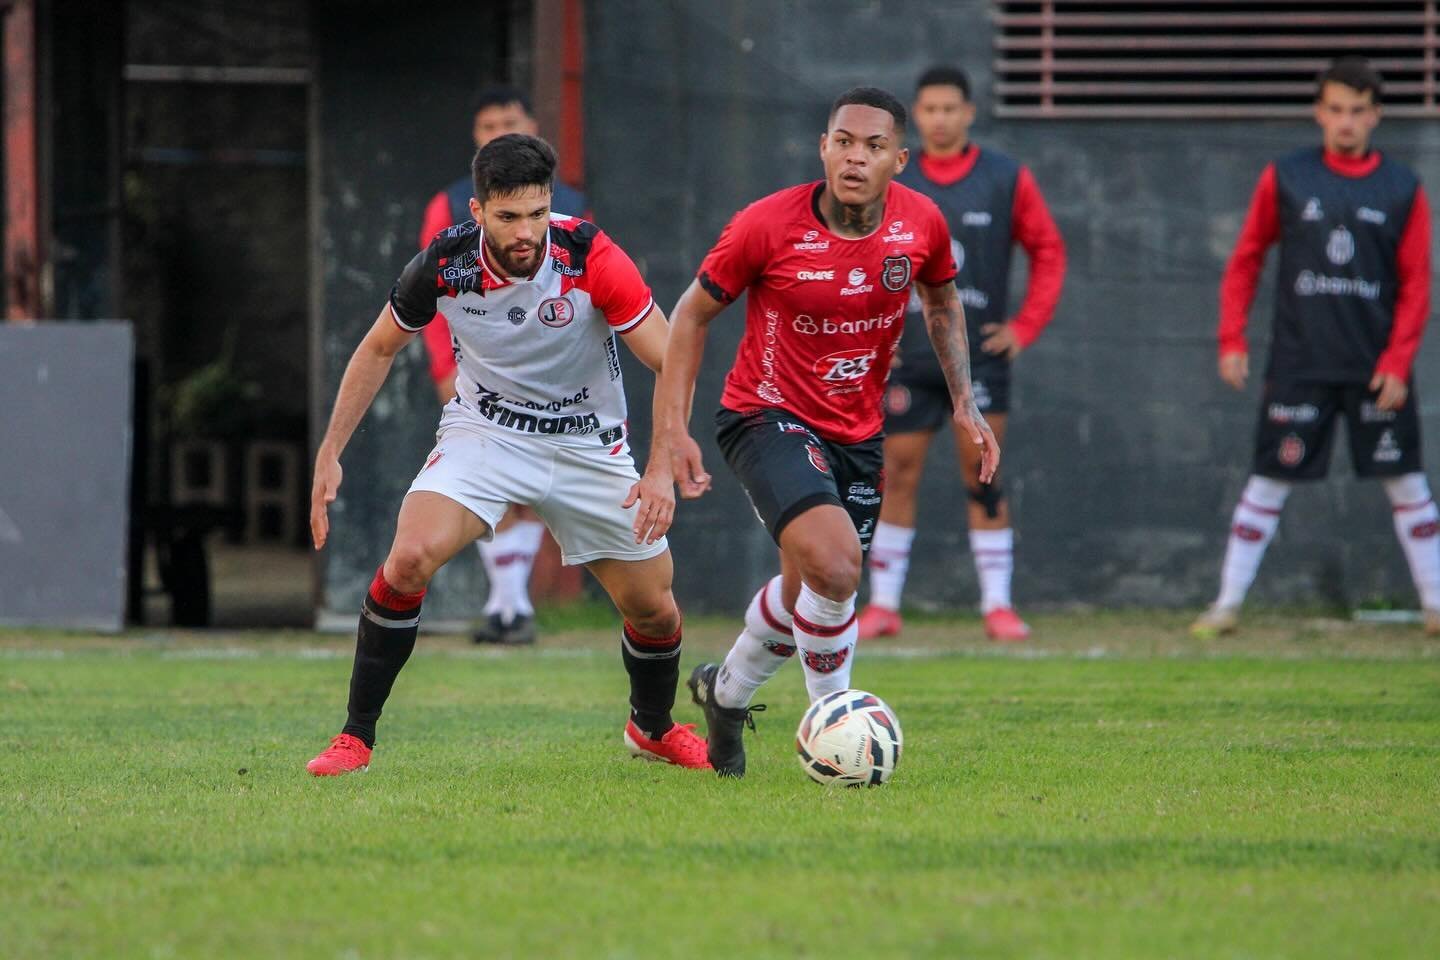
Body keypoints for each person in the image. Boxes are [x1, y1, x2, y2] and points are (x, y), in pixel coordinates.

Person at [306, 134, 709, 775]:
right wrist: (331, 451)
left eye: (538, 214)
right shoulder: (446, 263)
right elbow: (379, 347)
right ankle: (356, 737)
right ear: (477, 212)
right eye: (508, 217)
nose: (526, 232)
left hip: (587, 444)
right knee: (408, 557)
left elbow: (672, 359)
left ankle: (652, 726)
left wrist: (662, 459)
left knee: (655, 608)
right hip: (486, 433)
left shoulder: (589, 255)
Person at [632, 87, 999, 777]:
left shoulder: (921, 225)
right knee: (836, 568)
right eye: (844, 142)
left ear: (899, 158)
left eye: (873, 146)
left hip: (857, 432)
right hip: (764, 416)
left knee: (813, 588)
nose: (855, 157)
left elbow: (942, 301)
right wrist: (670, 434)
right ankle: (838, 726)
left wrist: (964, 403)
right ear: (824, 148)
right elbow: (687, 317)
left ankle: (726, 694)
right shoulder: (765, 226)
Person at [1191, 56, 1435, 638]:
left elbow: (1418, 282)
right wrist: (1232, 337)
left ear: (1375, 116)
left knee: (1407, 483)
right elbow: (1246, 259)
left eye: (1357, 112)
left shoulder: (1403, 188)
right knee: (1268, 480)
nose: (1345, 122)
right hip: (1300, 361)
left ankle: (1434, 607)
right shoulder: (1287, 177)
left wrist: (1399, 360)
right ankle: (1225, 605)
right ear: (1318, 113)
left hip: (1376, 368)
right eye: (1335, 111)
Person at [857, 65, 1065, 643]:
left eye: (950, 109)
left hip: (977, 361)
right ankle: (885, 605)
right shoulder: (892, 177)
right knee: (894, 474)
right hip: (906, 360)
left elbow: (1048, 250)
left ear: (969, 113)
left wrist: (1024, 326)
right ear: (914, 119)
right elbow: (858, 254)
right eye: (929, 110)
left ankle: (998, 606)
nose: (940, 120)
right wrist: (874, 329)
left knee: (983, 472)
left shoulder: (1005, 177)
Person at [417, 87, 592, 646]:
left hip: (550, 373)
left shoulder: (569, 203)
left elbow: (589, 293)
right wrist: (445, 366)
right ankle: (509, 607)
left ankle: (509, 608)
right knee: (489, 475)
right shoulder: (447, 206)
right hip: (476, 371)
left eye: (508, 122)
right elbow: (430, 296)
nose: (497, 131)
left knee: (535, 482)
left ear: (532, 126)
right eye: (487, 123)